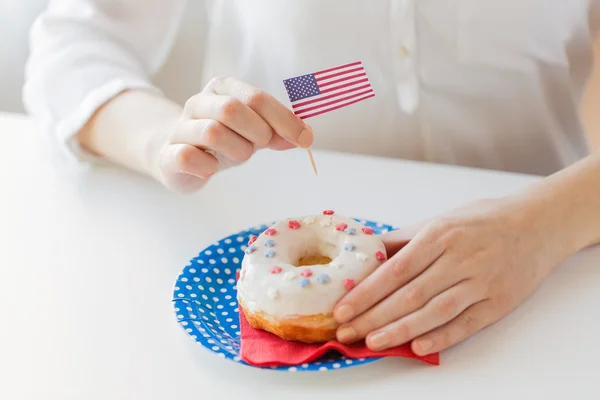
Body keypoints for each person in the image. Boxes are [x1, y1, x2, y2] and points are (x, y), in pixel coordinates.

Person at [23, 0, 600, 356]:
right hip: (248, 257)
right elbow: (73, 46)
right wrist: (163, 139)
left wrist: (543, 226)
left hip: (560, 273)